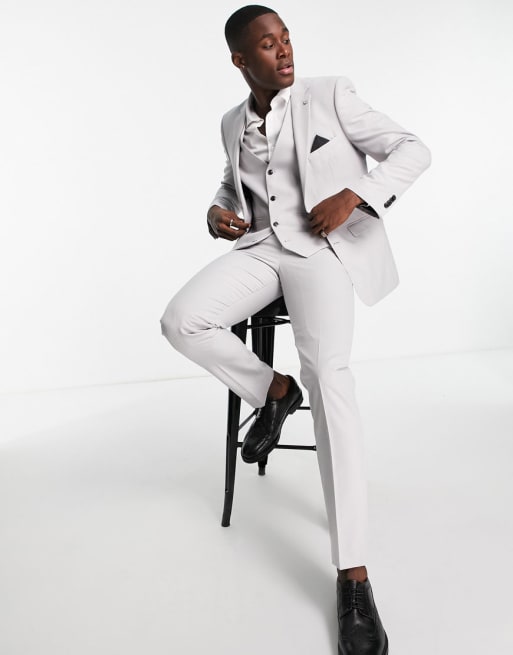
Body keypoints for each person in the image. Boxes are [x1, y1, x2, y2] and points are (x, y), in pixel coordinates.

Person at [160, 5, 431, 653]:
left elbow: (412, 149)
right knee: (182, 320)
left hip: (321, 250)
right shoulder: (231, 121)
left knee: (330, 379)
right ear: (239, 60)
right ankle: (274, 392)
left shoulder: (328, 94)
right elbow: (233, 184)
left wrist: (355, 195)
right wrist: (217, 210)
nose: (283, 50)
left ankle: (353, 575)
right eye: (266, 44)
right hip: (262, 249)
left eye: (285, 39)